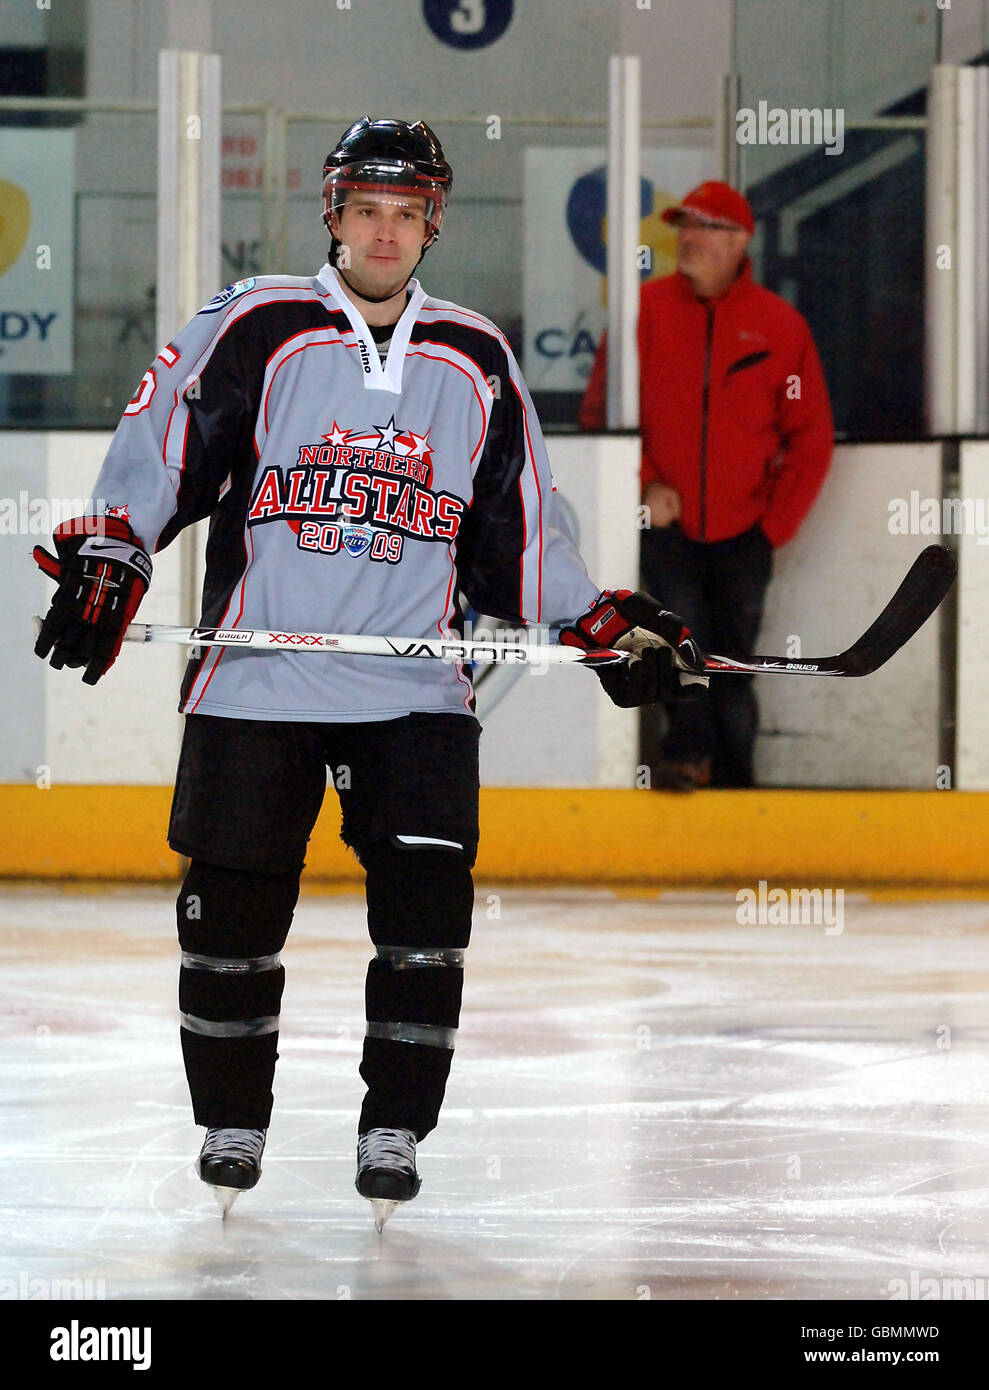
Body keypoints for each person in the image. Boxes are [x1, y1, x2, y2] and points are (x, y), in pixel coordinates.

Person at [32, 117, 706, 1230]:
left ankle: (392, 1124)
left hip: (416, 694)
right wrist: (114, 549)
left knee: (426, 920)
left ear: (431, 222)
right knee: (230, 921)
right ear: (333, 215)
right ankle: (231, 1119)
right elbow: (163, 443)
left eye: (407, 212)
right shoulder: (256, 324)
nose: (384, 232)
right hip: (258, 682)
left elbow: (516, 526)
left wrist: (594, 619)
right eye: (365, 210)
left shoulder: (475, 356)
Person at [579, 181, 834, 788]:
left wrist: (773, 527)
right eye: (684, 224)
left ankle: (738, 784)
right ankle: (687, 762)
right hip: (666, 528)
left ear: (740, 239)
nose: (688, 237)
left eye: (705, 225)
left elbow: (810, 439)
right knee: (676, 646)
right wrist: (643, 485)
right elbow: (599, 415)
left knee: (735, 660)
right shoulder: (644, 313)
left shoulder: (779, 326)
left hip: (746, 531)